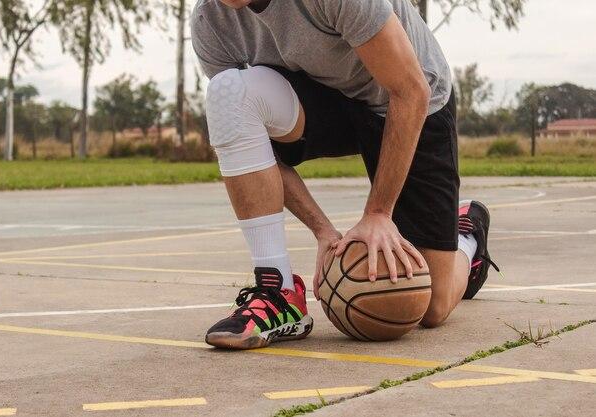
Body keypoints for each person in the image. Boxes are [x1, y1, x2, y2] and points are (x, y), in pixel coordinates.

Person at [191, 0, 499, 350]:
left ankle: (466, 234)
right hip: (325, 100)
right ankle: (277, 292)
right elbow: (245, 136)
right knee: (229, 95)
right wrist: (323, 231)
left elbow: (411, 91)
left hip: (407, 96)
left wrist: (379, 214)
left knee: (429, 306)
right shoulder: (210, 21)